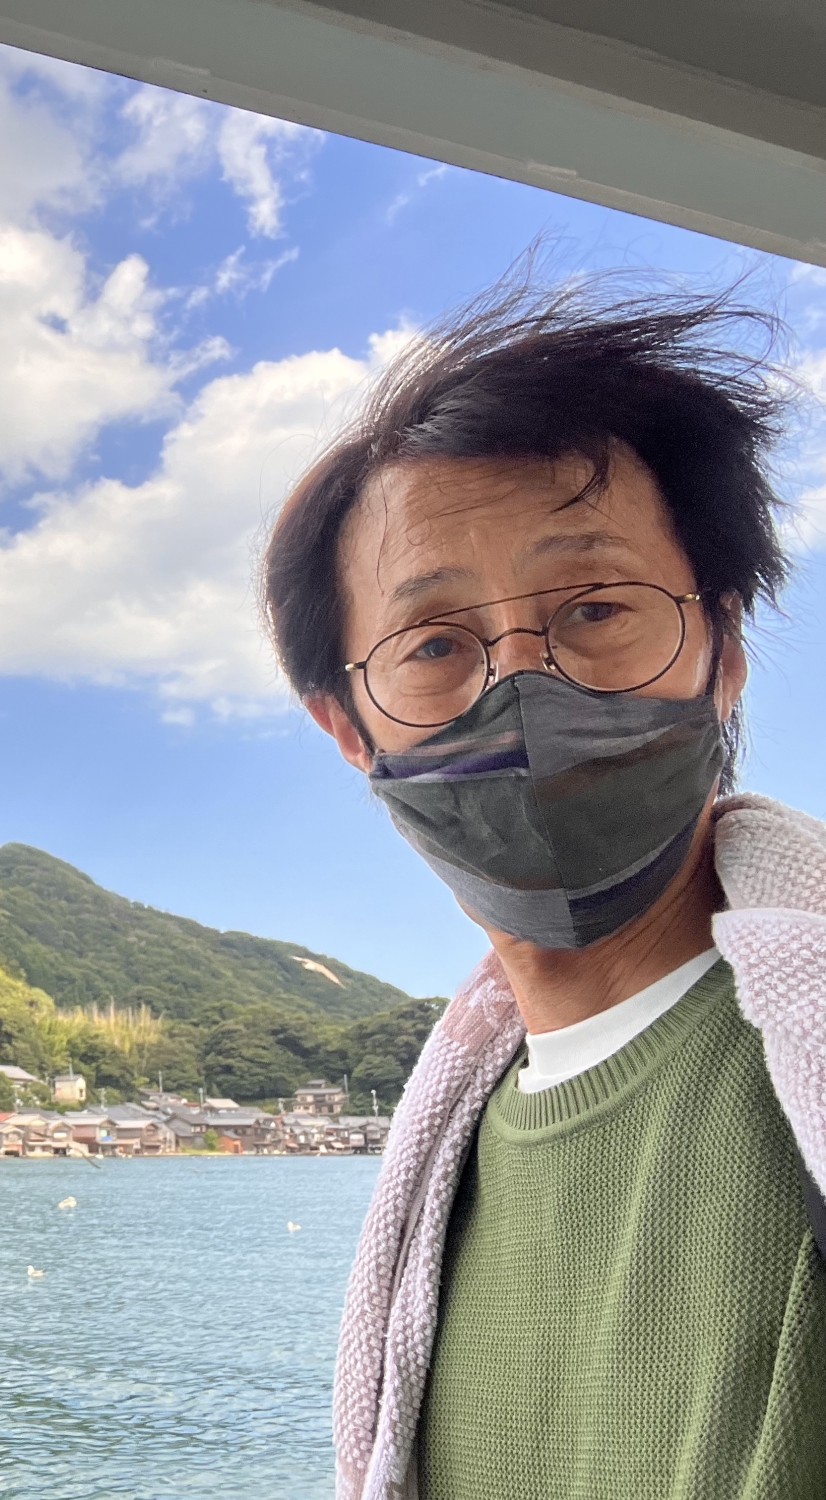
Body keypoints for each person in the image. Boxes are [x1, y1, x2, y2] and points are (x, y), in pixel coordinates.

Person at [261, 277, 826, 1500]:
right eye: (432, 644)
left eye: (594, 608)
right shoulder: (450, 1175)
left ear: (722, 652)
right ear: (348, 730)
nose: (521, 687)